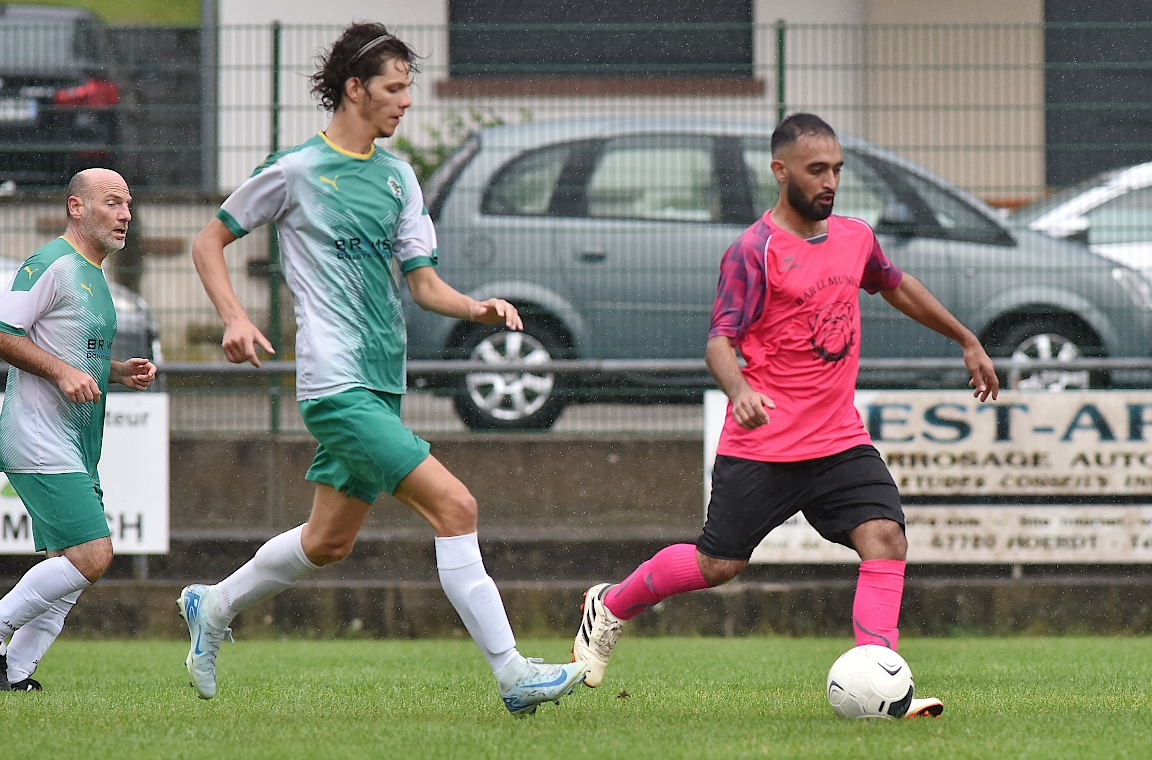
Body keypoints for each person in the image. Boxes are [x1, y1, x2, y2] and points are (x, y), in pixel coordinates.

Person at [177, 22, 587, 717]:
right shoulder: (297, 170)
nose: (406, 101)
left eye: (408, 88)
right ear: (355, 88)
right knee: (456, 506)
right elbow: (208, 240)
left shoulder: (399, 178)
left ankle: (212, 604)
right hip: (335, 386)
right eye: (394, 88)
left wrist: (476, 308)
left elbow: (423, 284)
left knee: (327, 541)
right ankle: (513, 673)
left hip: (381, 382)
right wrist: (235, 317)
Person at [572, 113, 1001, 719]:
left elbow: (896, 284)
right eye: (816, 170)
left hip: (838, 439)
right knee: (719, 564)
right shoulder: (755, 250)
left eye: (837, 170)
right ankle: (610, 604)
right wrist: (740, 389)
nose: (830, 182)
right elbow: (719, 341)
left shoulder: (855, 237)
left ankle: (883, 683)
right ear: (780, 171)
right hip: (764, 444)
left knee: (885, 538)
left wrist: (966, 339)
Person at [0, 168, 157, 691]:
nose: (125, 214)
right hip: (36, 436)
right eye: (112, 203)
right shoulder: (52, 263)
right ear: (76, 207)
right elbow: (3, 333)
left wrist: (117, 371)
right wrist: (62, 373)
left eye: (127, 204)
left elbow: (73, 352)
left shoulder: (94, 273)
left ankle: (15, 672)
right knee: (92, 555)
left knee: (66, 567)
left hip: (77, 441)